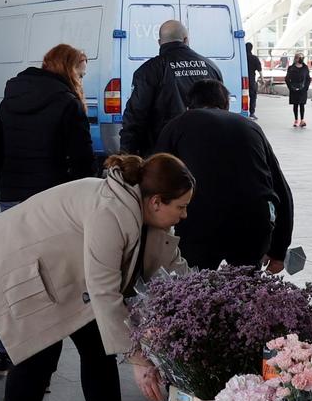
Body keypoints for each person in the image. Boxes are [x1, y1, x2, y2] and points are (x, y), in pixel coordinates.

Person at [0, 153, 192, 401]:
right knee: (38, 356)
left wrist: (204, 297)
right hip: (21, 261)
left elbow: (172, 265)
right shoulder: (111, 211)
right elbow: (104, 292)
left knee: (99, 350)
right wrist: (138, 359)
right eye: (181, 206)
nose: (185, 215)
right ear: (157, 201)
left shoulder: (142, 208)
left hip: (67, 267)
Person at [0, 43, 97, 373]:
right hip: (51, 203)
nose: (82, 79)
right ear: (69, 69)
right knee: (50, 279)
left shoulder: (13, 94)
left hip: (12, 199)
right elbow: (84, 160)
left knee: (16, 276)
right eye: (81, 73)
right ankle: (37, 358)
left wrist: (12, 170)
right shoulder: (67, 103)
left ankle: (7, 349)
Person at [156, 79, 293, 273]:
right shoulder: (251, 127)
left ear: (189, 106)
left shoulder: (177, 126)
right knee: (246, 292)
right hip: (252, 223)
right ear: (226, 104)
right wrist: (279, 250)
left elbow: (156, 181)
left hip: (199, 224)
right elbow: (281, 190)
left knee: (193, 291)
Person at [119, 20, 221, 155]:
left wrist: (127, 154)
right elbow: (222, 110)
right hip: (204, 150)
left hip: (164, 155)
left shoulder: (148, 71)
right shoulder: (211, 67)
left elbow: (136, 115)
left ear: (159, 42)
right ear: (186, 40)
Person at [284, 53, 311, 128]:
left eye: (302, 57)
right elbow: (287, 79)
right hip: (293, 88)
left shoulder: (305, 68)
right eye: (299, 57)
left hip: (303, 89)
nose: (301, 59)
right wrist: (290, 87)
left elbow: (308, 79)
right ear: (295, 58)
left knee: (302, 104)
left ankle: (302, 120)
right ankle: (296, 120)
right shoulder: (291, 68)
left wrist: (306, 88)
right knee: (295, 104)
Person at [244, 42, 261, 118]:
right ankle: (252, 113)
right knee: (253, 96)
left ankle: (243, 111)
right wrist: (262, 79)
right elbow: (259, 70)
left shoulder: (242, 58)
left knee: (243, 95)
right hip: (251, 80)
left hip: (242, 80)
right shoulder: (254, 58)